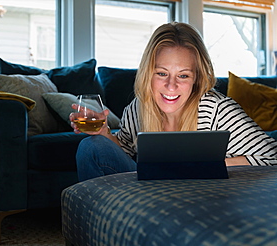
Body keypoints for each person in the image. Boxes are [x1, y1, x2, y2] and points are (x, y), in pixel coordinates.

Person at [70, 22, 277, 182]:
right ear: (147, 74)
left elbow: (273, 158)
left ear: (197, 78)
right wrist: (104, 134)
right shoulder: (138, 108)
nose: (171, 86)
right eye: (161, 73)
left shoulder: (218, 110)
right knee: (90, 146)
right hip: (147, 195)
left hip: (198, 196)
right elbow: (124, 157)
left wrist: (200, 167)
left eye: (183, 76)